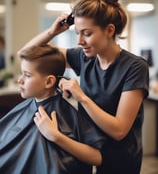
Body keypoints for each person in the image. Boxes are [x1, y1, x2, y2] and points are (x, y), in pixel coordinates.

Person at [19, 0, 149, 174]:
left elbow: (119, 130)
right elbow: (27, 55)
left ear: (109, 30)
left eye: (86, 33)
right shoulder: (84, 58)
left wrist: (81, 97)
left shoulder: (134, 67)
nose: (80, 41)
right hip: (88, 149)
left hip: (121, 160)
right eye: (78, 33)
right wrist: (52, 32)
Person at [0, 44, 106, 174]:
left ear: (49, 82)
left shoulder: (67, 115)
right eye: (22, 74)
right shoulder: (24, 107)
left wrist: (56, 136)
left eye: (27, 75)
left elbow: (97, 158)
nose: (20, 80)